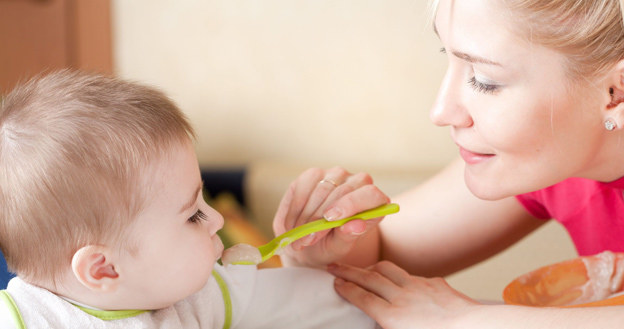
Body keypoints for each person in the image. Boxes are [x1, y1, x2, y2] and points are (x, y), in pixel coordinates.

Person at [272, 0, 624, 327]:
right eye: (449, 56)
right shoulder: (555, 161)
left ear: (616, 93)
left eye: (485, 81)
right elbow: (382, 251)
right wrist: (323, 243)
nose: (441, 112)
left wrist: (468, 320)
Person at [0, 70, 378, 329]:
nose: (217, 221)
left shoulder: (198, 296)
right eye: (194, 215)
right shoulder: (22, 318)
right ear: (104, 269)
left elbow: (325, 305)